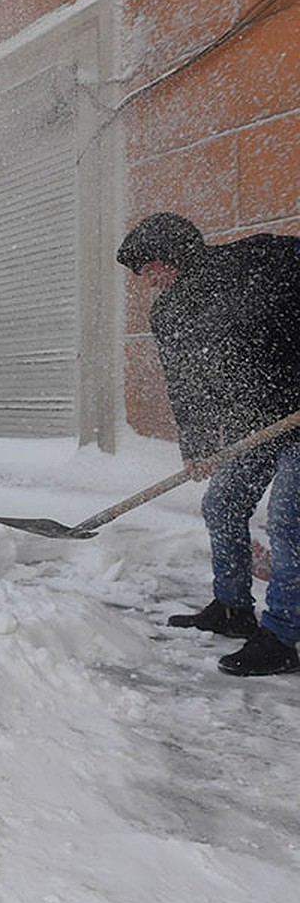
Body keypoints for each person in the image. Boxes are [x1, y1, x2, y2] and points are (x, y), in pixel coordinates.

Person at [116, 211, 300, 675]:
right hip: (260, 422)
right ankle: (234, 608)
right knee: (222, 503)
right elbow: (187, 382)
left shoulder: (259, 258)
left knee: (288, 516)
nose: (149, 281)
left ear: (173, 255)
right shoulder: (169, 312)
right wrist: (196, 444)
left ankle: (281, 635)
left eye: (151, 267)